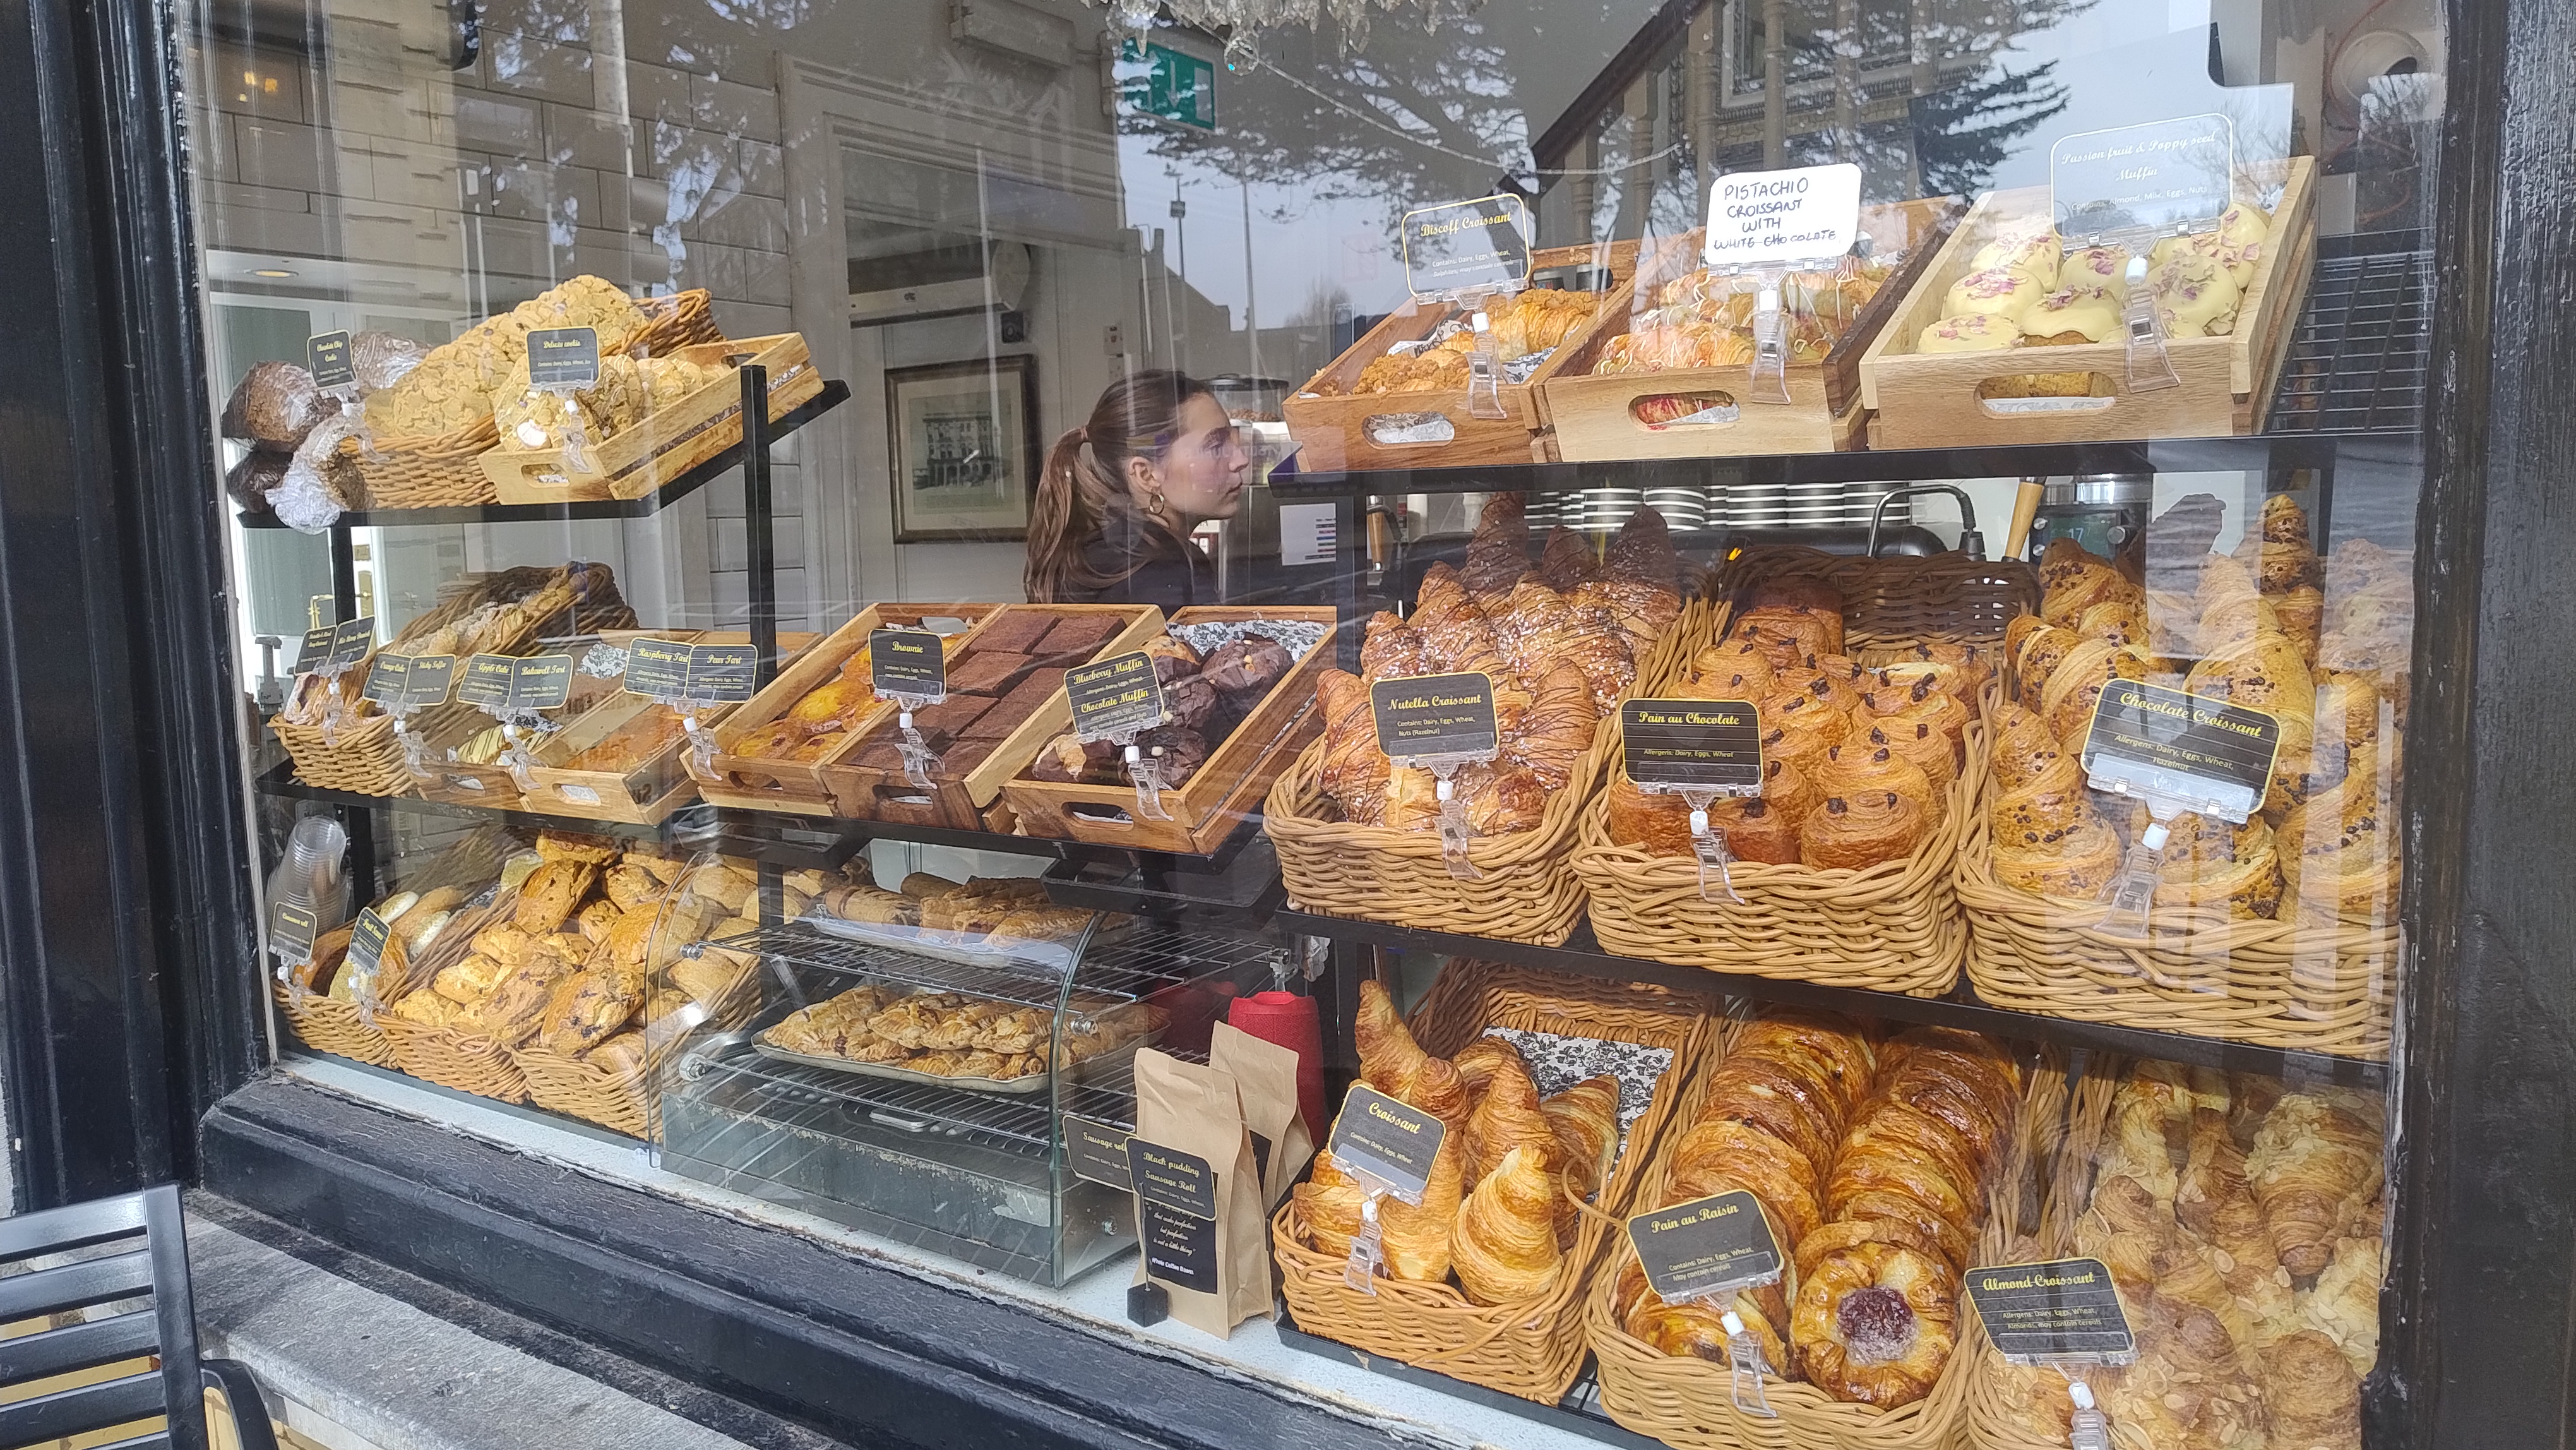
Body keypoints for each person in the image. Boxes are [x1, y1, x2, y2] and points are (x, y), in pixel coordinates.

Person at [1023, 369, 1249, 608]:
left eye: (1232, 440)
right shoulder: (1160, 573)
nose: (1241, 460)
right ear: (1146, 475)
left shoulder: (1095, 556)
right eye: (1216, 446)